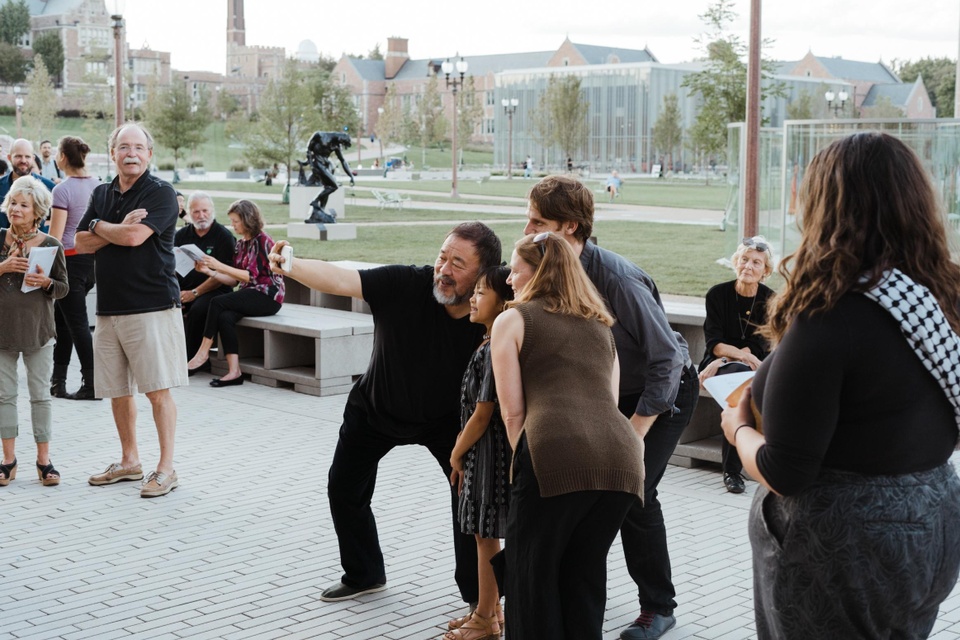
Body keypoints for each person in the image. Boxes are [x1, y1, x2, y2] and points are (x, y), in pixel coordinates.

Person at [720, 131, 960, 638]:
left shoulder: (833, 314)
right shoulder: (940, 297)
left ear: (828, 209)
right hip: (932, 518)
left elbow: (786, 470)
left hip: (844, 543)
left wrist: (737, 426)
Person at [267, 222, 501, 606]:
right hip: (375, 409)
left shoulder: (491, 311)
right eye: (443, 256)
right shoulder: (406, 284)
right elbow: (342, 279)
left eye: (458, 263)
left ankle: (480, 599)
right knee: (344, 489)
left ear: (485, 273)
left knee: (468, 505)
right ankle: (364, 574)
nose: (444, 269)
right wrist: (292, 265)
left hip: (447, 424)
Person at [524, 174, 697, 640]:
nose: (527, 231)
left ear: (570, 228)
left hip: (661, 393)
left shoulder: (617, 279)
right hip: (604, 396)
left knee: (635, 494)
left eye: (537, 222)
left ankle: (659, 607)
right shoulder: (548, 268)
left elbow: (666, 359)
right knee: (584, 496)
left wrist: (634, 435)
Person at [492, 231, 644, 639]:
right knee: (584, 578)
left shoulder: (512, 319)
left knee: (531, 577)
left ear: (536, 272)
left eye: (515, 269)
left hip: (553, 455)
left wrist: (524, 466)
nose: (509, 278)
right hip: (622, 462)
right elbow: (607, 404)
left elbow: (512, 412)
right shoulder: (601, 326)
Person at [75, 123, 187, 499]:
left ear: (149, 154)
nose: (131, 153)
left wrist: (101, 227)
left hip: (152, 306)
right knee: (118, 392)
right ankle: (129, 461)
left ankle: (166, 468)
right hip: (109, 309)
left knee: (157, 392)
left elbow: (135, 236)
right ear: (112, 154)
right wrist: (110, 228)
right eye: (124, 147)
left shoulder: (161, 193)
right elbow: (80, 242)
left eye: (138, 147)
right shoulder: (103, 193)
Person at [445, 266, 513, 640]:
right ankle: (492, 610)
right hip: (485, 453)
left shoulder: (494, 346)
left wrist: (456, 453)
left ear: (504, 303)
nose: (472, 297)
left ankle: (485, 618)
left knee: (485, 535)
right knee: (484, 535)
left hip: (488, 455)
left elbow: (483, 411)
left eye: (482, 293)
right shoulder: (488, 341)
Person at [0, 176, 68, 487]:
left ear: (36, 211)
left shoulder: (51, 245)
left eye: (23, 205)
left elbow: (64, 288)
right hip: (2, 332)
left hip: (39, 332)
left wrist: (47, 284)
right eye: (13, 202)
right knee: (4, 397)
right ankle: (8, 461)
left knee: (41, 397)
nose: (15, 208)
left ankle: (44, 462)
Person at [697, 236, 775, 494]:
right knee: (742, 386)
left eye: (756, 262)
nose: (748, 266)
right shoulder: (717, 294)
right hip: (718, 364)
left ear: (766, 270)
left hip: (749, 365)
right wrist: (726, 358)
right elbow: (715, 343)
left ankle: (739, 465)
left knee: (745, 381)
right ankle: (732, 471)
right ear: (735, 262)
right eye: (744, 260)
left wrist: (740, 356)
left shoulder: (771, 300)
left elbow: (759, 346)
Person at [186, 199, 283, 387]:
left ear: (247, 220)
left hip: (268, 296)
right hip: (251, 293)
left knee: (217, 302)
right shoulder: (241, 244)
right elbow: (234, 280)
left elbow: (250, 276)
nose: (232, 225)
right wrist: (209, 271)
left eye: (235, 221)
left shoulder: (263, 241)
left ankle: (202, 353)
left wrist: (219, 264)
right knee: (225, 317)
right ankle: (234, 372)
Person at [47, 136, 101, 401]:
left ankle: (92, 384)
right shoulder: (99, 186)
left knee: (77, 323)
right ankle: (58, 382)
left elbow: (55, 237)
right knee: (64, 320)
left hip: (68, 260)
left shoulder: (62, 190)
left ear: (62, 157)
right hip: (92, 261)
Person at [174, 192, 237, 363]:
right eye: (196, 212)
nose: (201, 216)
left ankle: (194, 360)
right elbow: (170, 268)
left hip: (216, 290)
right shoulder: (181, 236)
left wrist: (194, 293)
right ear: (189, 212)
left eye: (205, 211)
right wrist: (177, 293)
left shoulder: (223, 236)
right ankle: (171, 357)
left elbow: (227, 274)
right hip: (184, 290)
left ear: (212, 211)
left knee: (199, 309)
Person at [0, 139, 56, 229]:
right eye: (18, 156)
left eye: (27, 157)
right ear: (9, 158)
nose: (23, 160)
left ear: (33, 158)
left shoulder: (49, 187)